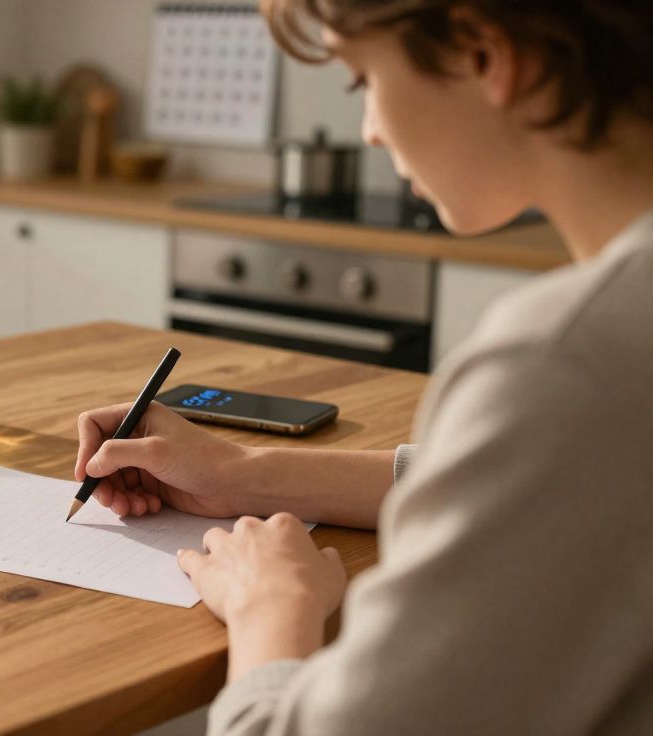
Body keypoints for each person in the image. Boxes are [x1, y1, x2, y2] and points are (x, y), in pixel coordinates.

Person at [74, 1, 653, 733]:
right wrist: (241, 474)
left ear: (483, 54)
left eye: (362, 80)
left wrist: (271, 606)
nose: (371, 130)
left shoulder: (563, 361)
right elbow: (556, 475)